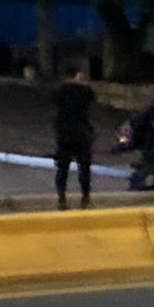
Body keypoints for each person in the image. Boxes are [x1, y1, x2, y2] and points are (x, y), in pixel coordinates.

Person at [52, 63, 96, 210]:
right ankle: (85, 198)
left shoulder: (59, 91)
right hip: (82, 131)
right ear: (77, 74)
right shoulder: (86, 91)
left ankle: (62, 199)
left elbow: (55, 103)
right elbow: (91, 103)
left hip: (64, 132)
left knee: (62, 167)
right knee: (84, 166)